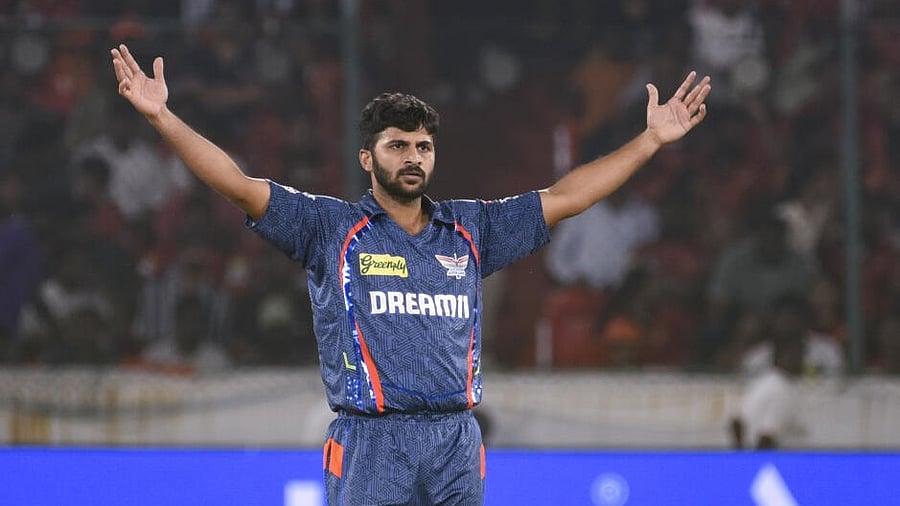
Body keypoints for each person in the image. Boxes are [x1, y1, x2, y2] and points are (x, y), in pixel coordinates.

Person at [111, 43, 710, 505]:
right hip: (371, 440)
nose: (414, 158)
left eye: (423, 147)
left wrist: (650, 141)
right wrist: (163, 119)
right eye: (398, 146)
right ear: (368, 159)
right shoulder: (330, 228)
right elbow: (239, 186)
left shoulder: (472, 230)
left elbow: (565, 197)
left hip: (455, 437)